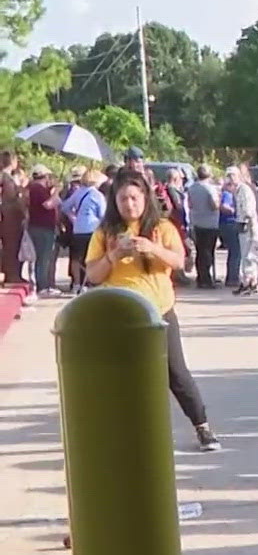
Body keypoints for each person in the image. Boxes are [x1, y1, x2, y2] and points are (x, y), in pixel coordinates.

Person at [84, 170, 221, 452]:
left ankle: (202, 427)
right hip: (121, 315)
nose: (129, 204)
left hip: (160, 312)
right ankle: (132, 432)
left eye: (134, 198)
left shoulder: (162, 227)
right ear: (115, 201)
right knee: (126, 375)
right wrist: (113, 256)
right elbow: (93, 275)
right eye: (123, 199)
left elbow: (180, 262)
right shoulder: (104, 232)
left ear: (145, 198)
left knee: (176, 373)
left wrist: (152, 248)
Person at [60, 167, 106, 292]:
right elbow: (102, 214)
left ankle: (76, 283)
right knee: (90, 257)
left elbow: (64, 206)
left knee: (76, 257)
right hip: (92, 229)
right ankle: (88, 283)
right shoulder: (97, 195)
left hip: (78, 229)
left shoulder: (78, 192)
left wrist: (73, 217)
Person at [24, 164, 59, 295]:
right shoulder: (38, 189)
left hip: (39, 226)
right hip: (42, 228)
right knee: (43, 257)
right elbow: (48, 205)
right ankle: (42, 286)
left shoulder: (34, 188)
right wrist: (56, 192)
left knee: (40, 257)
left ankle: (40, 284)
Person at [186, 164, 222, 289]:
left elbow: (190, 204)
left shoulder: (191, 188)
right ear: (209, 174)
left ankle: (201, 278)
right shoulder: (210, 188)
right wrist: (219, 201)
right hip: (210, 223)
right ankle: (207, 279)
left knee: (200, 251)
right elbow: (214, 206)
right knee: (208, 252)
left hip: (197, 222)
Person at [0, 150, 21, 286]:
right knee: (10, 247)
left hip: (8, 216)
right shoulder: (7, 179)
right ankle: (11, 275)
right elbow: (10, 197)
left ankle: (11, 274)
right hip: (9, 217)